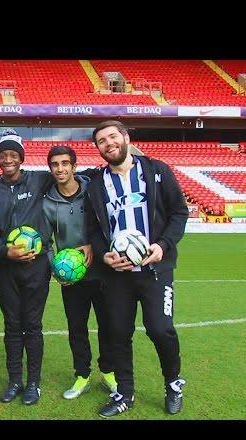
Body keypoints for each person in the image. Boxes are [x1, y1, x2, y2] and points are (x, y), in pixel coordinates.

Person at [84, 120, 188, 417]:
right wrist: (104, 255)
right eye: (102, 141)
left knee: (160, 329)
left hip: (155, 269)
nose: (109, 143)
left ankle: (173, 384)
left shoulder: (156, 171)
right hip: (117, 275)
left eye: (113, 137)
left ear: (126, 138)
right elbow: (94, 229)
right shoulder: (97, 184)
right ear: (99, 148)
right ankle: (125, 393)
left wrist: (163, 246)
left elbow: (179, 213)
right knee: (118, 332)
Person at [0, 129, 54, 406]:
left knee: (32, 325)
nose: (8, 159)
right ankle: (15, 381)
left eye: (13, 155)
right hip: (5, 268)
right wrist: (3, 251)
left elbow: (72, 179)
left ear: (21, 158)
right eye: (3, 155)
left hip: (37, 267)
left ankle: (33, 383)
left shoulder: (40, 180)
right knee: (12, 325)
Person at [42, 145, 117, 401]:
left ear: (74, 166)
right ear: (50, 169)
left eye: (65, 163)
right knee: (77, 328)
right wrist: (55, 267)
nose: (60, 169)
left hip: (103, 271)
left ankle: (108, 372)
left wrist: (98, 248)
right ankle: (82, 375)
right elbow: (46, 241)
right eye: (55, 164)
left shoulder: (94, 190)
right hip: (71, 277)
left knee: (108, 325)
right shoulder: (48, 203)